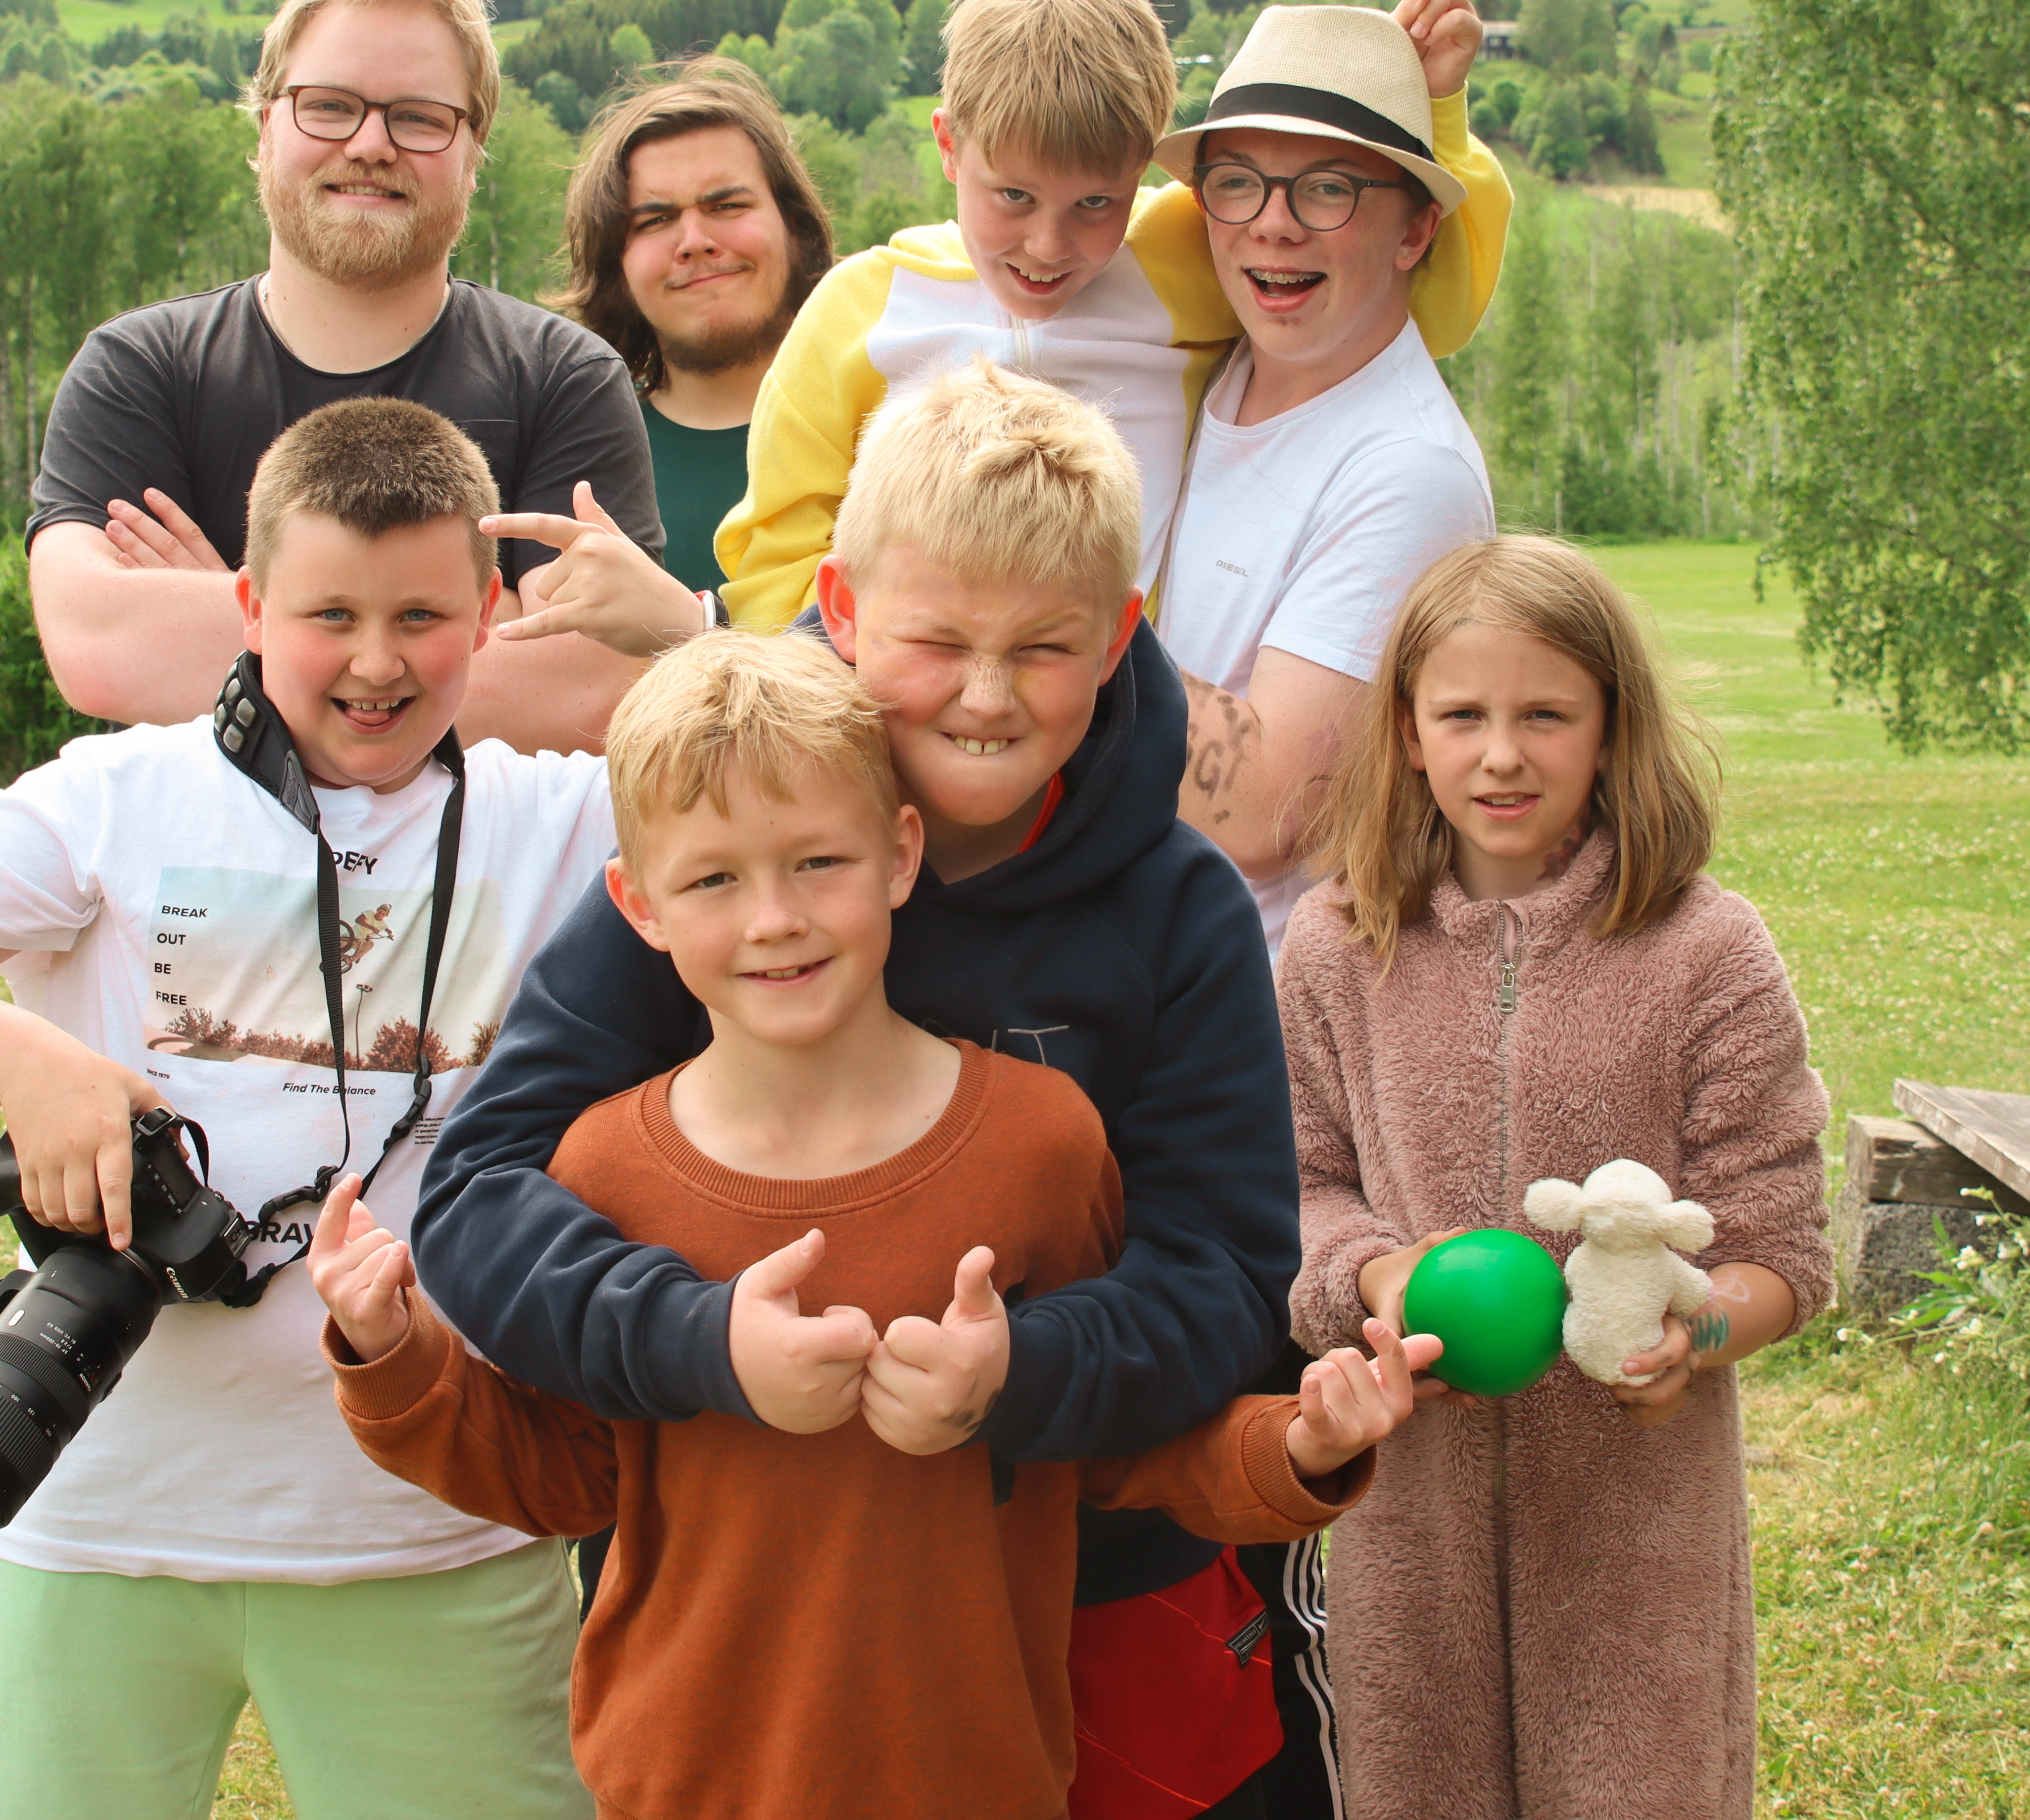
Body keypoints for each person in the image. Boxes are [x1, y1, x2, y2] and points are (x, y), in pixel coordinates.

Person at [308, 629, 1438, 1820]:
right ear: (636, 903)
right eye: (713, 879)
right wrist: (397, 1360)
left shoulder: (1041, 1143)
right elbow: (570, 1473)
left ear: (900, 854)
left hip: (978, 1776)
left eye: (816, 861)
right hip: (681, 1783)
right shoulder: (604, 1165)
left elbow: (1125, 1449)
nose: (774, 918)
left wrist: (1298, 1445)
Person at [418, 362, 1312, 1818]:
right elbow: (478, 1195)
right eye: (935, 639)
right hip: (767, 1609)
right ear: (839, 606)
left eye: (1042, 649)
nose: (983, 691)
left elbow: (1224, 1279)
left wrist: (1021, 1371)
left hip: (1106, 1589)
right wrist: (699, 1341)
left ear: (1120, 638)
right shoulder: (737, 859)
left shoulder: (1180, 912)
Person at [0, 398, 624, 1820]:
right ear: (245, 603)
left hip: (432, 1525)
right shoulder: (117, 798)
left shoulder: (567, 816)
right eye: (326, 614)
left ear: (492, 614)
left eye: (423, 616)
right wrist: (28, 1065)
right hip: (95, 1508)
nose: (374, 662)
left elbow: (823, 767)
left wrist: (674, 630)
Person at [1278, 534, 1831, 1820]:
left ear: (1609, 725)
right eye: (1461, 714)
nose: (1502, 752)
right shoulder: (1334, 944)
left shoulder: (1707, 949)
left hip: (1638, 1525)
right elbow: (1296, 1187)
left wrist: (1692, 1333)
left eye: (1545, 713)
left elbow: (1784, 1251)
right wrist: (1380, 1266)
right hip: (1407, 1518)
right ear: (1407, 732)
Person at [711, 0, 1509, 637]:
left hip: (1124, 736)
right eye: (1015, 196)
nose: (1049, 246)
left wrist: (1425, 113)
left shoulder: (1181, 258)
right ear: (951, 146)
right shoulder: (861, 312)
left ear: (1144, 173)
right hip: (912, 720)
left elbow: (1411, 302)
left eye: (1097, 204)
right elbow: (777, 543)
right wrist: (847, 699)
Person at [26, 0, 659, 751]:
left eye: (419, 118)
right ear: (264, 128)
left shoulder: (563, 381)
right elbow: (98, 648)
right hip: (196, 881)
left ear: (474, 152)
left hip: (476, 882)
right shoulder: (139, 372)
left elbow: (585, 689)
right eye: (328, 107)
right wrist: (463, 625)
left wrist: (241, 616)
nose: (370, 145)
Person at [1149, 0, 1509, 955]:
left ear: (1415, 234)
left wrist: (1046, 618)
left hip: (1254, 1052)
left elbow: (1269, 812)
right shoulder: (1212, 366)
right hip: (1141, 1002)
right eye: (1240, 183)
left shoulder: (1406, 470)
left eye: (1328, 190)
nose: (1272, 226)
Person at [546, 57, 835, 596]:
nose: (694, 240)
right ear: (617, 266)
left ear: (795, 228)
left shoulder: (891, 426)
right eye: (655, 219)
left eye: (726, 204)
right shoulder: (576, 455)